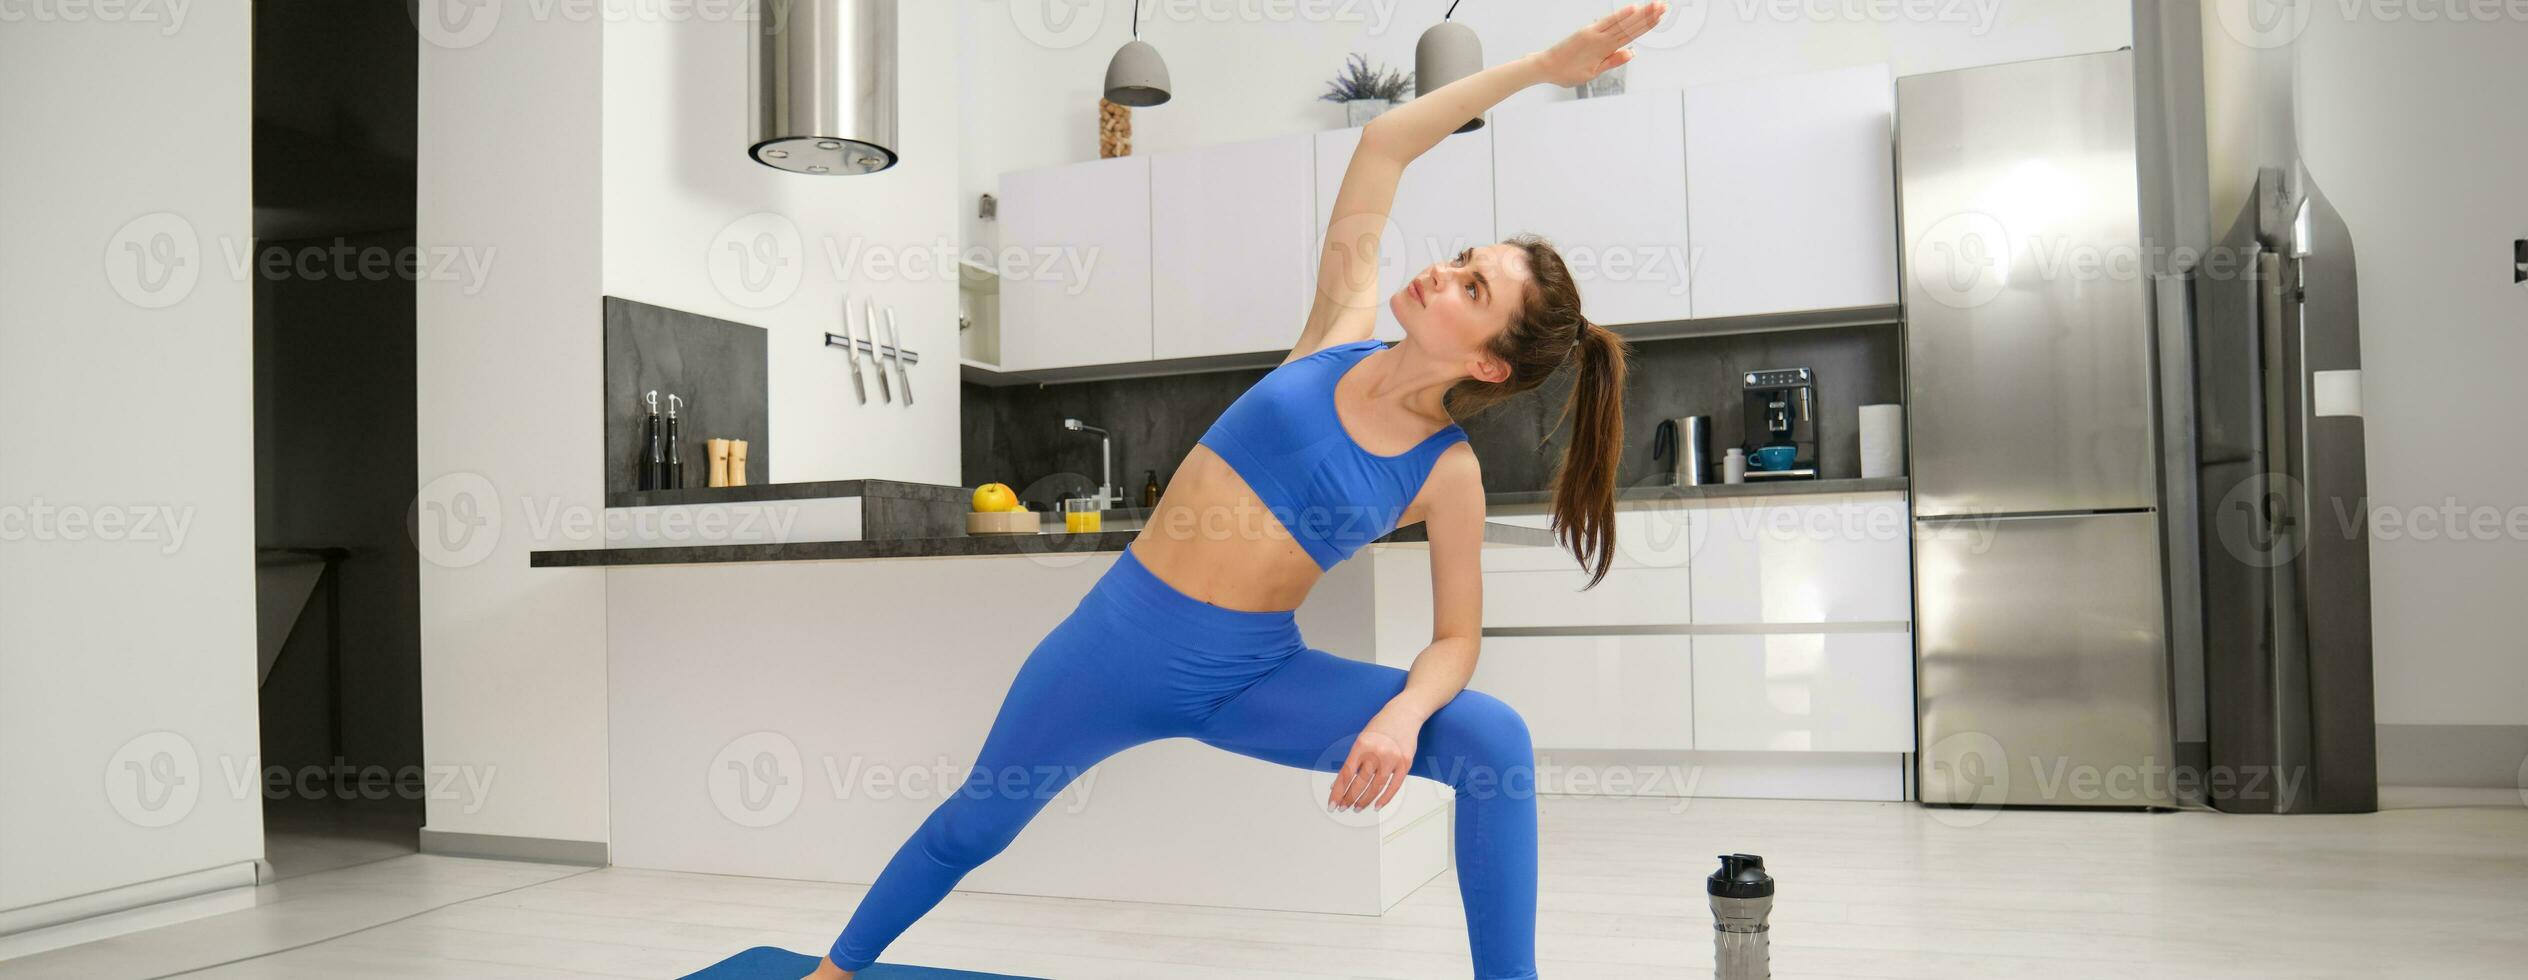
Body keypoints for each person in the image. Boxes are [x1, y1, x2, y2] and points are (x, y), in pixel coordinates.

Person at [805, 6, 1661, 978]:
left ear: (1489, 364)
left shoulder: (1445, 471)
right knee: (972, 825)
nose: (1441, 272)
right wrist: (1545, 66)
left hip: (1252, 677)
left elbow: (1456, 637)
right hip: (1112, 642)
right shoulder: (1335, 326)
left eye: (1472, 289)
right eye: (1463, 258)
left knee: (1490, 737)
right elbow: (1383, 142)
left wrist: (1400, 713)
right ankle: (831, 973)